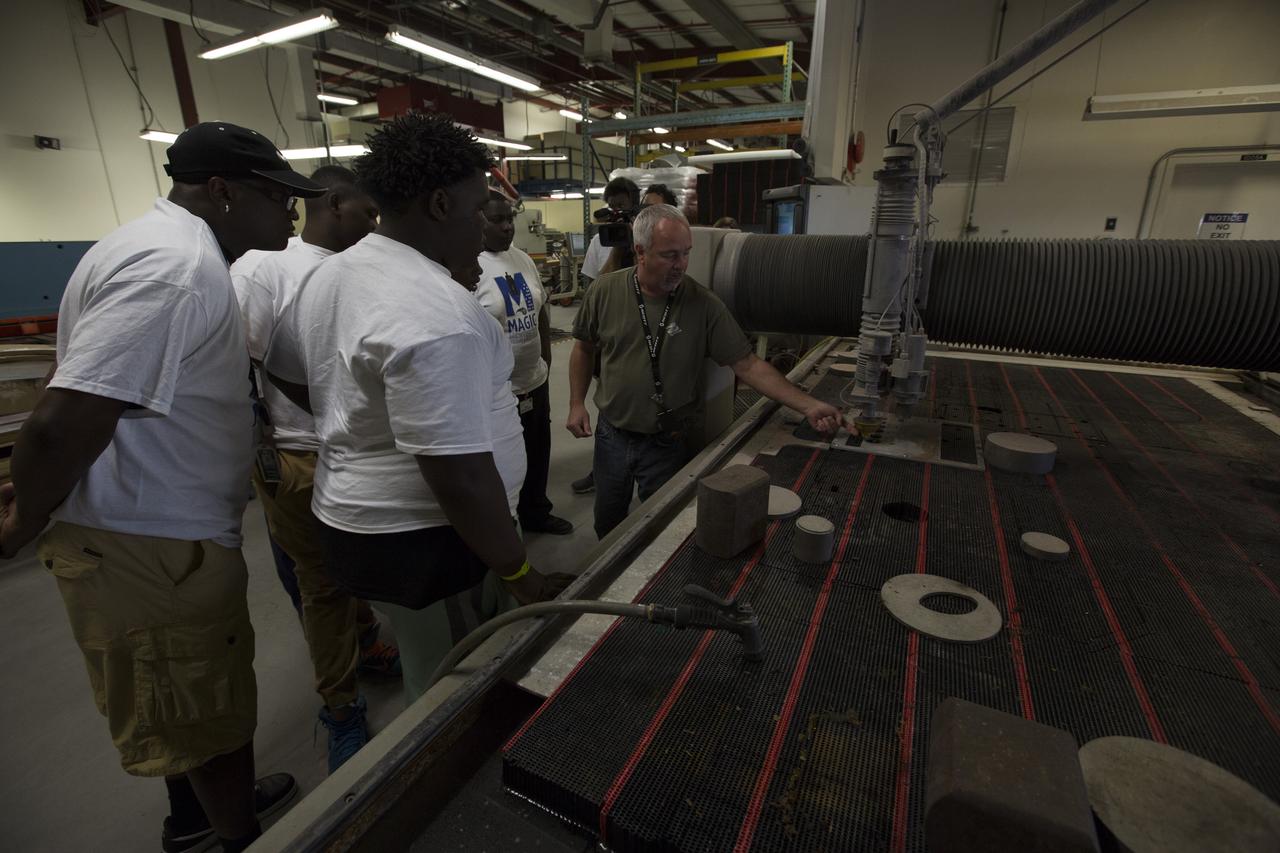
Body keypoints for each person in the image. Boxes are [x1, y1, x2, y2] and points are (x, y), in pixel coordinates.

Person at [0, 122, 325, 853]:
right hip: (147, 542)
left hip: (158, 527)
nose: (291, 214)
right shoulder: (172, 269)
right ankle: (233, 837)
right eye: (278, 197)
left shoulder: (160, 248)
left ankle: (200, 813)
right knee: (194, 692)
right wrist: (23, 523)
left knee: (186, 699)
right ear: (222, 190)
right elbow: (59, 422)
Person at [264, 113, 570, 703]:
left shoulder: (334, 274)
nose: (487, 223)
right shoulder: (434, 314)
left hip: (366, 520)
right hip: (427, 536)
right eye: (479, 206)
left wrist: (358, 423)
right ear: (438, 204)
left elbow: (285, 371)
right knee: (455, 685)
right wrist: (520, 575)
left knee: (431, 659)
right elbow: (457, 475)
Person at [230, 165, 400, 773]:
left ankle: (367, 642)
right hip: (300, 455)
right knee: (321, 585)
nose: (374, 225)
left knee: (357, 566)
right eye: (367, 212)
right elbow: (244, 368)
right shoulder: (265, 268)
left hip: (361, 450)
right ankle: (342, 707)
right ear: (332, 203)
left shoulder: (363, 268)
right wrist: (269, 445)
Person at [567, 204, 846, 538]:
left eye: (686, 253)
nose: (681, 265)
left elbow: (747, 364)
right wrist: (576, 403)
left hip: (666, 441)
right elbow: (584, 347)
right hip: (612, 434)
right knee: (608, 520)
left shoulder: (703, 304)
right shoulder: (605, 290)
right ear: (639, 252)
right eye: (670, 255)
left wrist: (809, 405)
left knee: (660, 525)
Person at [476, 191, 573, 535]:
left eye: (509, 219)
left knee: (537, 449)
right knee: (504, 459)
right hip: (499, 389)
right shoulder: (468, 266)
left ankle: (536, 511)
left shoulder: (522, 259)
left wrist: (545, 355)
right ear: (477, 220)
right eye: (496, 220)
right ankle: (506, 523)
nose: (506, 227)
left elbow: (541, 309)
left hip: (535, 377)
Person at [578, 176, 640, 283]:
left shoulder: (646, 238)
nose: (616, 213)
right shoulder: (599, 241)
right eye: (611, 206)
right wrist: (616, 251)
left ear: (634, 207)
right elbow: (594, 287)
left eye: (621, 206)